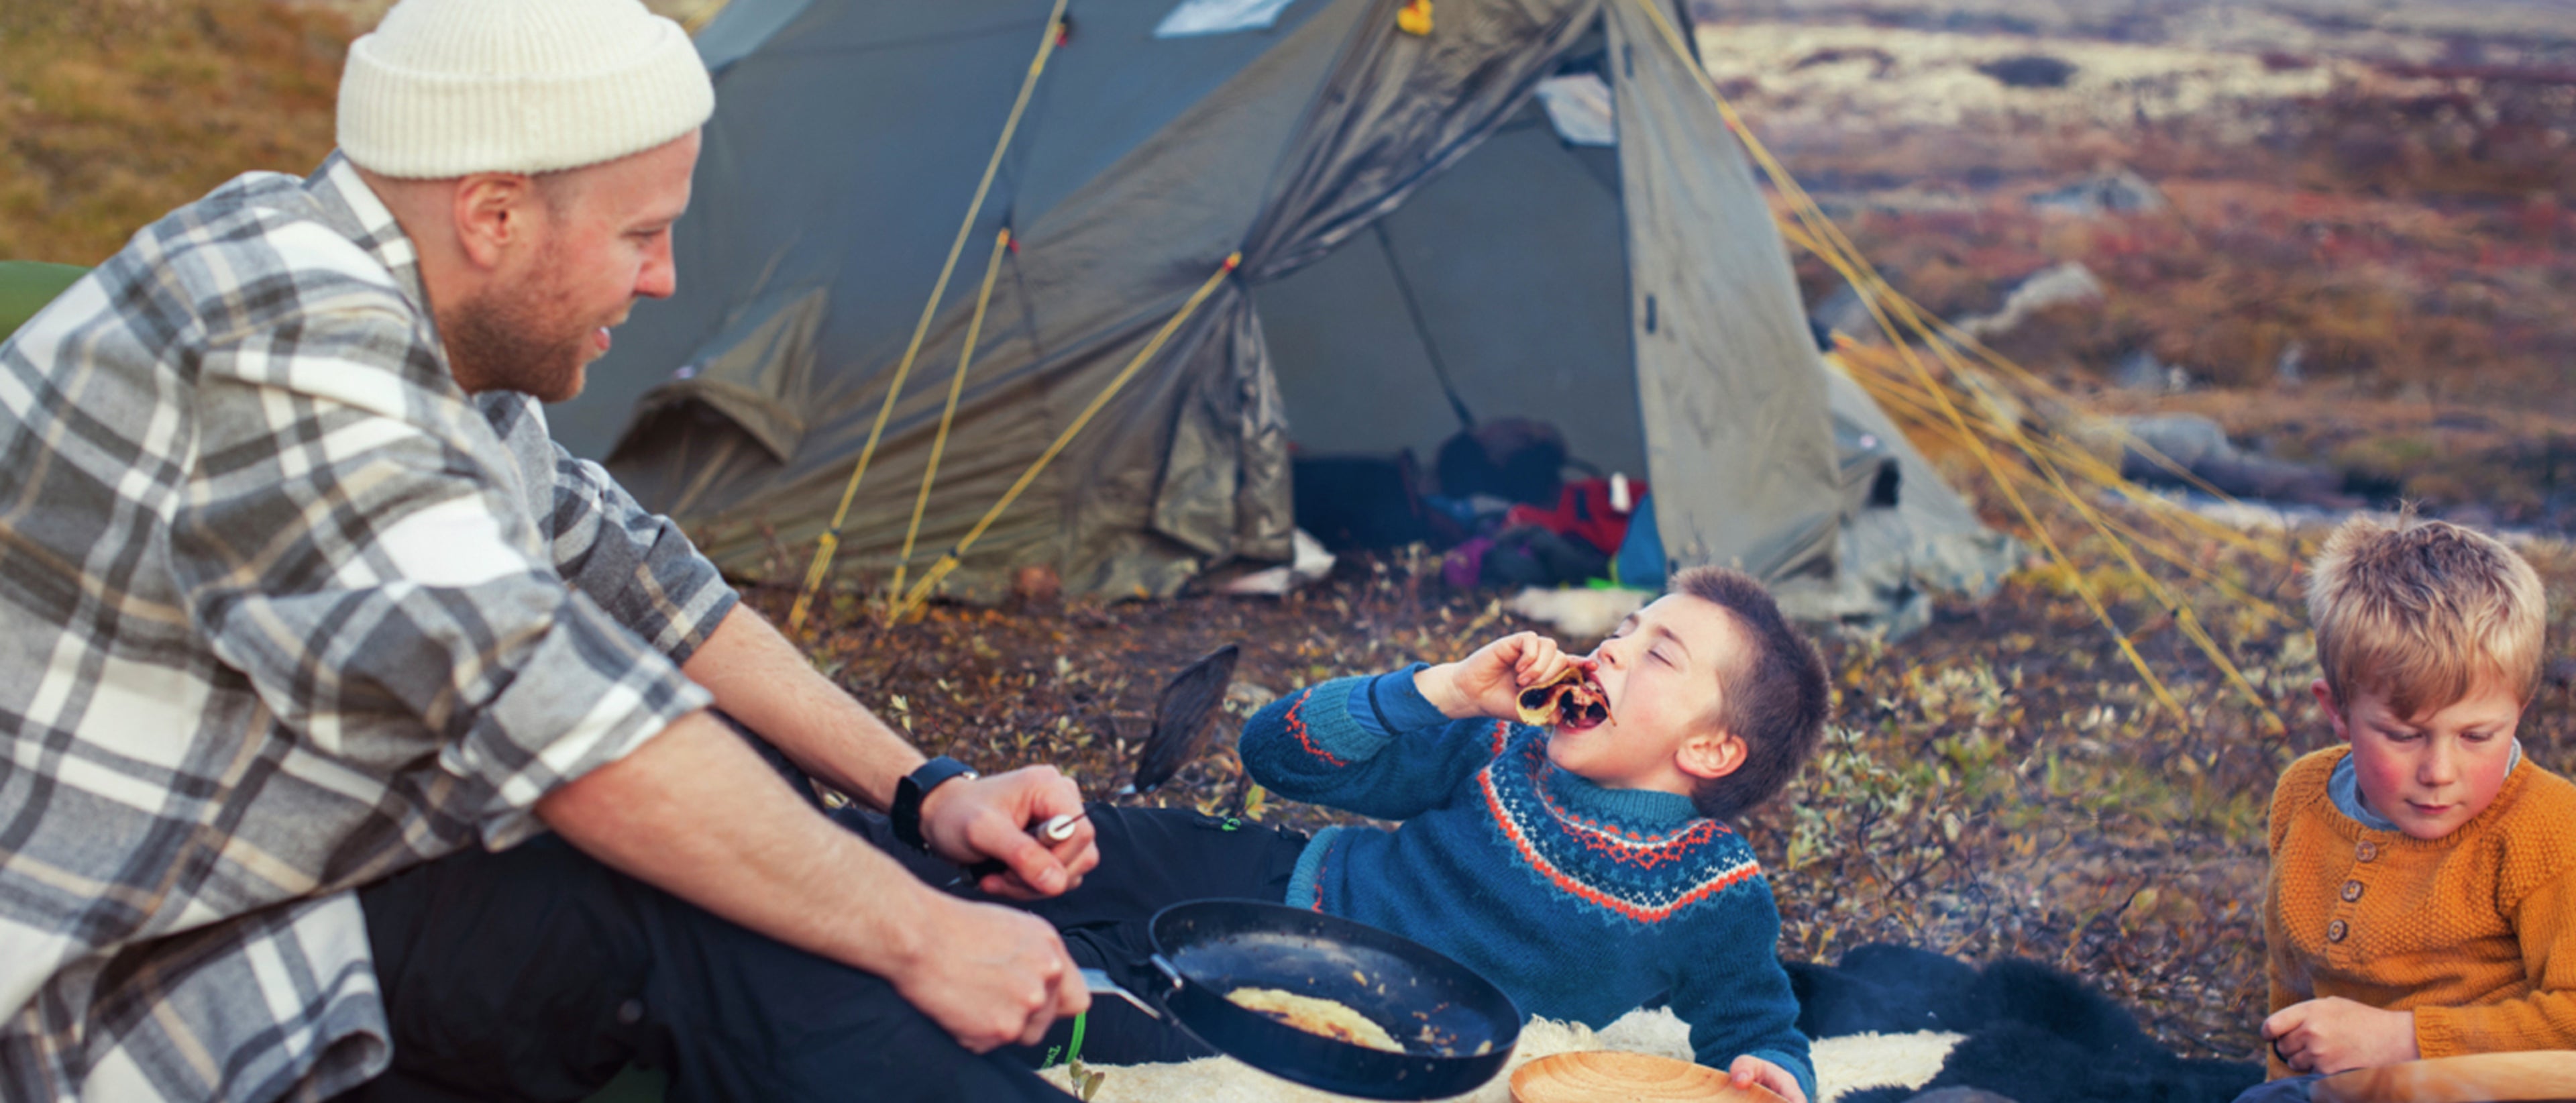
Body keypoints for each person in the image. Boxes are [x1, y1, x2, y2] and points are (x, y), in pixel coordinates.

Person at [0, 1, 1102, 1100]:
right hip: (137, 969)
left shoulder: (402, 308)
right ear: (494, 213)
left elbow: (629, 573)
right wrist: (921, 932)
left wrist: (922, 789)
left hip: (298, 859)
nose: (664, 275)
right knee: (654, 903)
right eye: (641, 232)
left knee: (740, 808)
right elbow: (554, 704)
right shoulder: (284, 338)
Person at [1002, 566, 1828, 1103]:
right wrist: (1441, 694)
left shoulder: (1713, 891)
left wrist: (1776, 1073)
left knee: (1065, 1001)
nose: (1610, 650)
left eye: (1657, 655)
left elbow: (1754, 1022)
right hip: (1270, 873)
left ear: (1711, 748)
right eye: (1623, 630)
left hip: (1342, 1003)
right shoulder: (1507, 747)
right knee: (1053, 852)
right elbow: (1276, 755)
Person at [2241, 515, 2576, 1102]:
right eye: (2403, 735)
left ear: (2518, 710)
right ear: (2338, 710)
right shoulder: (2303, 796)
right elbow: (2291, 985)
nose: (2440, 772)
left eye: (2476, 736)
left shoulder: (2548, 826)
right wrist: (2286, 1080)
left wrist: (2404, 1039)